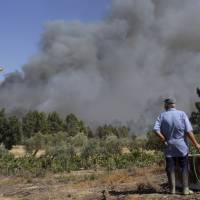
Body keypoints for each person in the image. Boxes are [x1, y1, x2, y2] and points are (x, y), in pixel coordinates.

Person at [153, 97, 200, 195]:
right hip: (182, 147)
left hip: (169, 147)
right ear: (174, 105)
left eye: (164, 105)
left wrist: (163, 138)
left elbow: (155, 129)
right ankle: (185, 190)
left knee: (170, 167)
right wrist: (196, 144)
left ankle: (172, 190)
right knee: (184, 167)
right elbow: (188, 131)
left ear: (167, 105)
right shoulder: (182, 114)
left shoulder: (162, 116)